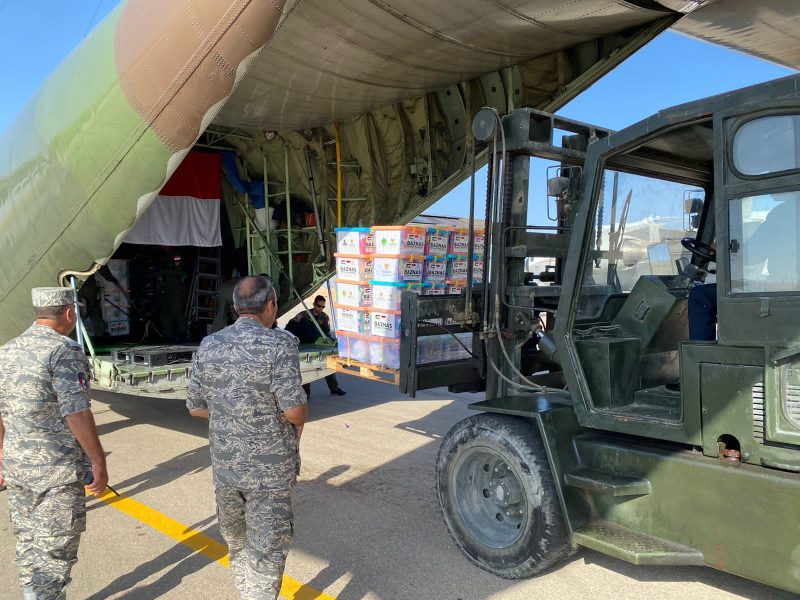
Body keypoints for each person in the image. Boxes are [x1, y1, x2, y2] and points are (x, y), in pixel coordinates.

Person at [187, 276, 307, 600]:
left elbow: (195, 407)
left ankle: (246, 593)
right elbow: (294, 411)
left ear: (235, 307)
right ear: (271, 306)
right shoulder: (280, 344)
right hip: (268, 474)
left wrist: (233, 412)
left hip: (226, 470)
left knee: (238, 542)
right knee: (266, 552)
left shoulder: (209, 345)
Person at [0, 287, 108, 600]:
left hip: (17, 468)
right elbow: (75, 410)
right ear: (70, 313)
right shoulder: (64, 350)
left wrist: (2, 458)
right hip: (55, 473)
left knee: (29, 543)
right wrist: (98, 461)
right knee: (55, 553)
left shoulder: (7, 350)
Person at [287, 295, 346, 397]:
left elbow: (326, 332)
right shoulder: (304, 314)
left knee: (328, 365)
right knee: (308, 366)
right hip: (305, 341)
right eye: (319, 306)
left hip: (317, 341)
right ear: (314, 304)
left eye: (323, 307)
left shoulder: (324, 317)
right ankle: (306, 393)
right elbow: (291, 324)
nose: (321, 309)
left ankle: (334, 388)